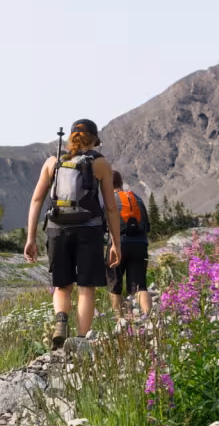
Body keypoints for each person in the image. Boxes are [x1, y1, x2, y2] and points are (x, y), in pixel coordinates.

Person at [24, 118, 122, 349]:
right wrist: (116, 243)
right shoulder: (101, 164)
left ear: (70, 138)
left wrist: (30, 238)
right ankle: (80, 340)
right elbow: (110, 207)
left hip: (57, 230)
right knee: (86, 288)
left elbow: (37, 199)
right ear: (94, 140)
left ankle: (61, 321)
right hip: (89, 230)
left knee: (62, 286)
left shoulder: (53, 161)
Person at [106, 170, 152, 318]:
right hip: (140, 243)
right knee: (139, 286)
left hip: (118, 244)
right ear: (120, 182)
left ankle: (120, 321)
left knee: (115, 286)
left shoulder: (110, 199)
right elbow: (147, 226)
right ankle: (149, 319)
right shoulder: (136, 198)